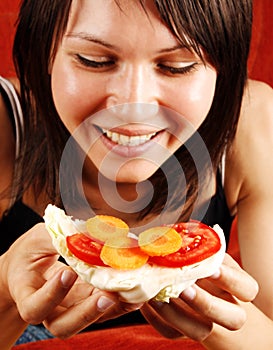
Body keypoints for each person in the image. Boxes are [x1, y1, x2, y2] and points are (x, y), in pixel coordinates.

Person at [0, 0, 272, 349]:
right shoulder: (8, 124)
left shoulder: (254, 121)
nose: (133, 104)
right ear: (46, 53)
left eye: (177, 66)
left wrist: (228, 321)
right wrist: (6, 288)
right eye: (94, 61)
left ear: (223, 68)